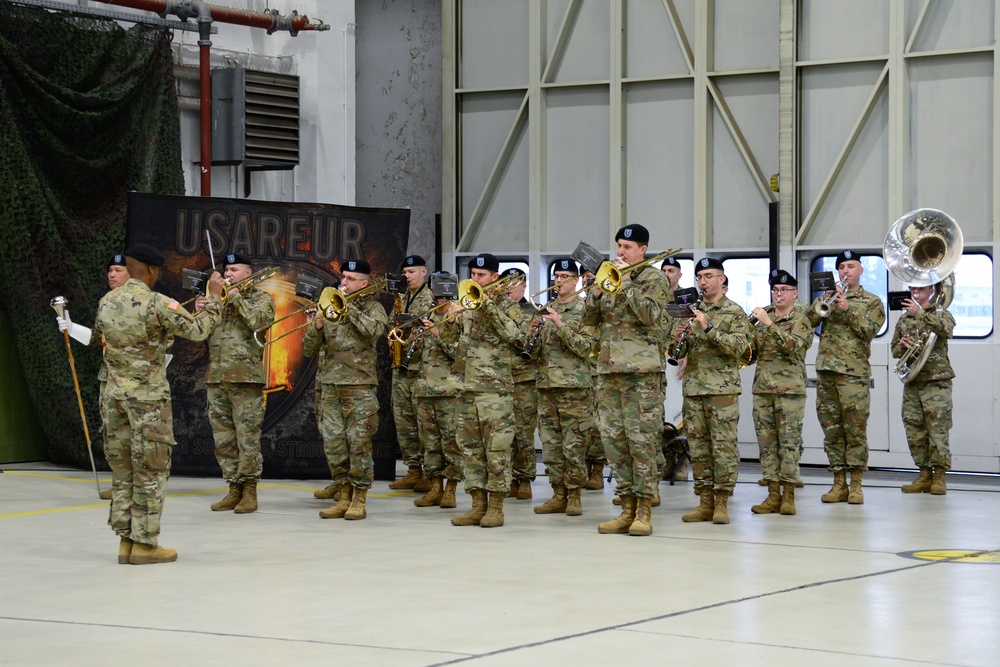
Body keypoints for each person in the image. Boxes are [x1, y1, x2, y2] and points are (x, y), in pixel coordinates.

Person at [92, 244, 223, 564]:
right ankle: (146, 545)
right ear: (151, 270)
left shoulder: (106, 302)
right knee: (151, 469)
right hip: (147, 402)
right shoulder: (157, 302)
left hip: (113, 399)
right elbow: (198, 330)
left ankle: (126, 543)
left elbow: (100, 337)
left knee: (123, 470)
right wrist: (215, 299)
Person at [581, 224, 671, 536]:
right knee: (614, 444)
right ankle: (626, 508)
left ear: (643, 249)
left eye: (628, 247)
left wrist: (628, 282)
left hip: (641, 373)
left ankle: (644, 510)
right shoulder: (608, 277)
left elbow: (649, 316)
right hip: (608, 371)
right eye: (619, 245)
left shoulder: (655, 279)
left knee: (641, 443)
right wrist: (595, 293)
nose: (621, 252)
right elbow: (588, 321)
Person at [439, 253, 528, 528]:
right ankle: (477, 504)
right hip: (467, 387)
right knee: (471, 450)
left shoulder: (508, 306)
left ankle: (497, 507)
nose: (475, 280)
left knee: (497, 449)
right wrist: (450, 324)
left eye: (481, 276)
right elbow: (453, 349)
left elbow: (517, 337)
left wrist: (488, 306)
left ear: (494, 278)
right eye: (473, 275)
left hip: (495, 391)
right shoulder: (466, 306)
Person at [303, 259, 388, 521]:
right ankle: (342, 495)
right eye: (343, 277)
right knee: (334, 444)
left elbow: (373, 332)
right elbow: (308, 349)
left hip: (359, 386)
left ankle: (359, 499)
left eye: (351, 279)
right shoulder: (329, 308)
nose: (344, 283)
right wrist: (316, 325)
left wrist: (347, 308)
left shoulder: (374, 308)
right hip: (330, 386)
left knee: (359, 445)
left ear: (364, 283)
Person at [194, 253, 275, 514]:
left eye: (234, 270)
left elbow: (257, 322)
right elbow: (200, 333)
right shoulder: (218, 300)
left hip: (245, 378)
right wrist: (200, 311)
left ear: (248, 273)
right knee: (224, 439)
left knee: (247, 438)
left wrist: (236, 296)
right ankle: (233, 488)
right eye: (226, 269)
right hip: (216, 378)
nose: (228, 274)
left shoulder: (262, 299)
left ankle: (249, 489)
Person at [805, 250, 885, 505]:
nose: (845, 271)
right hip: (827, 371)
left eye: (851, 266)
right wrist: (823, 301)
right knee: (832, 430)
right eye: (841, 267)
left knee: (855, 430)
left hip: (853, 374)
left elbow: (870, 331)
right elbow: (806, 322)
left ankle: (857, 485)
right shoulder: (827, 296)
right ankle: (839, 482)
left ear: (861, 270)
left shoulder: (871, 302)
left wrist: (848, 309)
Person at [673, 258, 749, 525]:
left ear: (722, 279)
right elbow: (678, 352)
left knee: (723, 448)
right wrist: (678, 336)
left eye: (708, 276)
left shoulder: (734, 312)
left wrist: (709, 327)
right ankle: (704, 501)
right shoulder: (690, 310)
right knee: (699, 449)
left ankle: (722, 502)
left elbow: (739, 348)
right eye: (700, 277)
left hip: (722, 391)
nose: (703, 282)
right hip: (693, 389)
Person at [57, 252, 131, 500]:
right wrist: (72, 326)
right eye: (110, 270)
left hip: (137, 379)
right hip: (110, 377)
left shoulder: (146, 301)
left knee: (137, 434)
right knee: (113, 434)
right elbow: (98, 338)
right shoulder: (105, 302)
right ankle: (121, 484)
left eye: (118, 270)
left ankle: (139, 486)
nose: (112, 274)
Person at [532, 258, 595, 517]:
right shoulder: (547, 308)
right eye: (556, 276)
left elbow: (586, 348)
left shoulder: (586, 311)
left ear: (577, 280)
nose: (559, 281)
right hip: (547, 387)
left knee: (574, 446)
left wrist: (560, 325)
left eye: (565, 276)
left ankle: (575, 496)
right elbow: (535, 352)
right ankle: (558, 494)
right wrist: (532, 331)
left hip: (574, 388)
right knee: (551, 446)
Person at [747, 270, 812, 516]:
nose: (778, 294)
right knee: (767, 445)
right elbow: (751, 354)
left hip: (790, 392)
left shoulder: (801, 319)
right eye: (775, 290)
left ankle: (789, 497)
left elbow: (794, 347)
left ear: (795, 293)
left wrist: (769, 324)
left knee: (789, 445)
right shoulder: (763, 318)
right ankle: (773, 495)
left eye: (784, 290)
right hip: (763, 390)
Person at [891, 282, 955, 495]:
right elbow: (894, 350)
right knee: (914, 430)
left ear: (932, 291)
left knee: (937, 430)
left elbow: (947, 330)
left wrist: (921, 314)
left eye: (920, 289)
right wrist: (902, 345)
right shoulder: (903, 319)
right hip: (913, 381)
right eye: (912, 289)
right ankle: (924, 474)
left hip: (936, 381)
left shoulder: (941, 314)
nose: (915, 292)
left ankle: (939, 477)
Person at [412, 272, 466, 508]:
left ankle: (451, 490)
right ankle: (435, 487)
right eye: (435, 290)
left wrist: (437, 333)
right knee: (430, 444)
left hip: (448, 390)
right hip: (425, 389)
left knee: (451, 442)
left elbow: (461, 353)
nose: (438, 295)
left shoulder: (459, 314)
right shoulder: (428, 314)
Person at [387, 255, 435, 493]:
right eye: (405, 272)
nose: (407, 276)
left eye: (412, 272)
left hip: (421, 369)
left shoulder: (432, 298)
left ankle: (429, 472)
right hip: (400, 368)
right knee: (404, 423)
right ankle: (413, 470)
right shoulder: (401, 297)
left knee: (422, 422)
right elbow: (390, 325)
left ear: (424, 272)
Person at [502, 267, 539, 500]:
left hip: (524, 379)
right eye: (505, 284)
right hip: (500, 378)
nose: (509, 289)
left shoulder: (532, 311)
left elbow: (533, 345)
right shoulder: (497, 309)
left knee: (523, 433)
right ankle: (507, 478)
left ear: (524, 287)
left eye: (514, 284)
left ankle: (524, 479)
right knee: (504, 433)